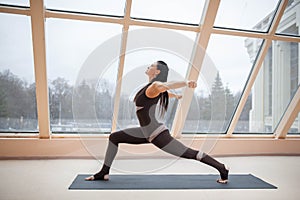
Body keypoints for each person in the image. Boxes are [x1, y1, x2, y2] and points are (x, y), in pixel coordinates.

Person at [85, 61, 229, 184]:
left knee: (189, 153)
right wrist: (175, 96)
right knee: (114, 137)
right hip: (145, 132)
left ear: (157, 71)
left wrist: (185, 83)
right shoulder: (150, 88)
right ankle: (104, 172)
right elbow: (164, 93)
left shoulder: (156, 86)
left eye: (152, 65)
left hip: (156, 134)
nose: (149, 66)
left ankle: (222, 168)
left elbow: (167, 85)